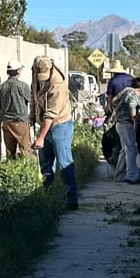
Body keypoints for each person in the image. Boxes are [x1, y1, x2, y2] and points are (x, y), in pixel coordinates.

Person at [29, 56, 79, 210]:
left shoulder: (58, 85)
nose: (42, 79)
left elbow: (51, 114)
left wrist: (41, 137)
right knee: (45, 164)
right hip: (44, 124)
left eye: (44, 75)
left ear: (50, 68)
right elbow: (33, 97)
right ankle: (48, 196)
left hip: (60, 125)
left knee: (64, 163)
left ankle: (71, 200)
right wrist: (32, 116)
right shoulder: (36, 75)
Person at [107, 76, 140, 183]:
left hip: (119, 123)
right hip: (126, 123)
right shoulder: (132, 94)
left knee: (125, 149)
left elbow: (113, 101)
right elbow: (132, 107)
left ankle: (119, 175)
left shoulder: (124, 92)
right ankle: (132, 175)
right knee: (131, 150)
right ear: (139, 89)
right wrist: (135, 121)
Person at [0, 60, 32, 159]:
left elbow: (0, 105)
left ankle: (9, 172)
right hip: (20, 121)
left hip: (6, 122)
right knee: (26, 151)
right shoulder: (22, 85)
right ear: (18, 71)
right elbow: (31, 99)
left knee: (9, 153)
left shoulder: (2, 86)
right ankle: (27, 173)